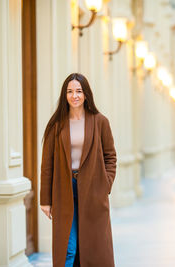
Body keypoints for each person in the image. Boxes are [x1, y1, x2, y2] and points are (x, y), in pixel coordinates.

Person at [40, 73, 117, 267]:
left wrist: (105, 184)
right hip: (64, 190)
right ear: (65, 95)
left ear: (86, 94)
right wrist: (45, 200)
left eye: (79, 91)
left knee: (93, 248)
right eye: (70, 91)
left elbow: (110, 156)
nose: (74, 95)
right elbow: (47, 163)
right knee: (69, 247)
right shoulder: (56, 124)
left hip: (93, 190)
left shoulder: (100, 121)